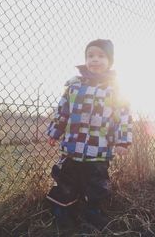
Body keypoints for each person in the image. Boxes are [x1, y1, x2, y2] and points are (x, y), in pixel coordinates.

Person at [46, 39, 132, 230]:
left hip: (98, 149)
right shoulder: (74, 85)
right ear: (85, 59)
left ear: (109, 61)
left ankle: (92, 210)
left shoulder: (115, 89)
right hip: (72, 147)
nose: (95, 60)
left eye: (101, 56)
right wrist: (55, 131)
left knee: (97, 182)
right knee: (66, 179)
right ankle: (63, 209)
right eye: (90, 56)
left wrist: (122, 141)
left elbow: (123, 116)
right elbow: (63, 111)